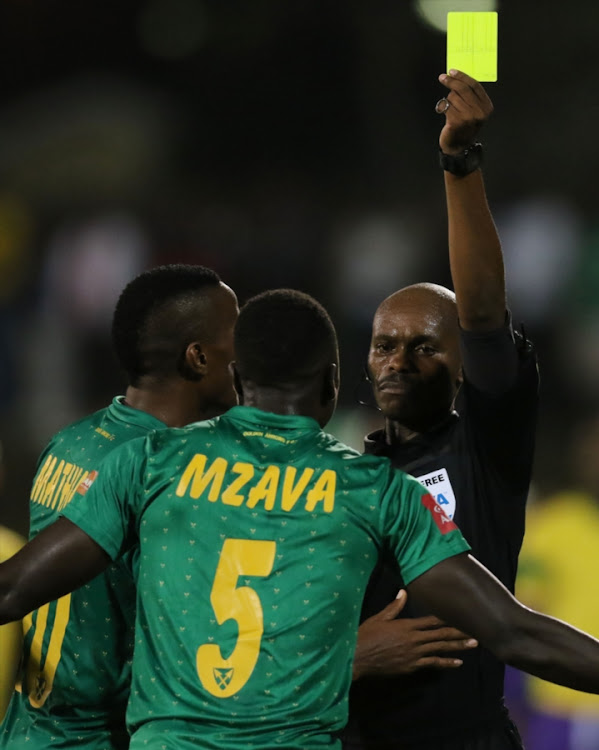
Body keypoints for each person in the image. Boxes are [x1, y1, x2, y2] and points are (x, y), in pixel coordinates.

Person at [1, 289, 599, 750]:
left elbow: (12, 590)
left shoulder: (150, 462)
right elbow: (513, 631)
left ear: (238, 381)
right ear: (335, 383)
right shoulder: (376, 489)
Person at [344, 70, 539, 750]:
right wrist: (350, 658)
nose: (396, 359)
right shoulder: (340, 479)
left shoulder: (485, 451)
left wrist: (458, 163)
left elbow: (482, 314)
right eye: (382, 345)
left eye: (422, 345)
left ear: (460, 365)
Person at [0, 264, 239, 750]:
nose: (249, 350)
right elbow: (203, 650)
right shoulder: (172, 473)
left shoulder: (70, 441)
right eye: (238, 332)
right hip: (100, 739)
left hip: (27, 731)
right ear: (198, 358)